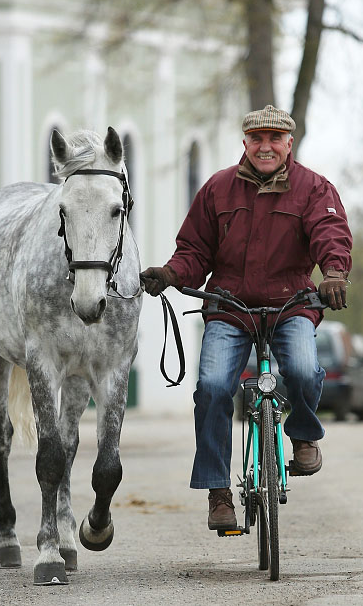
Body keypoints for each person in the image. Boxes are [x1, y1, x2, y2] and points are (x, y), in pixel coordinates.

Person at [140, 106, 352, 531]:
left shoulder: (313, 188)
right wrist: (171, 273)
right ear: (245, 144)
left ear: (289, 144)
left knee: (306, 370)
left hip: (291, 303)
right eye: (257, 139)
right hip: (230, 308)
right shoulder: (218, 189)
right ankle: (219, 492)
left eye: (275, 139)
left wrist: (332, 273)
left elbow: (331, 235)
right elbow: (194, 250)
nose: (266, 147)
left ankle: (304, 435)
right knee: (214, 388)